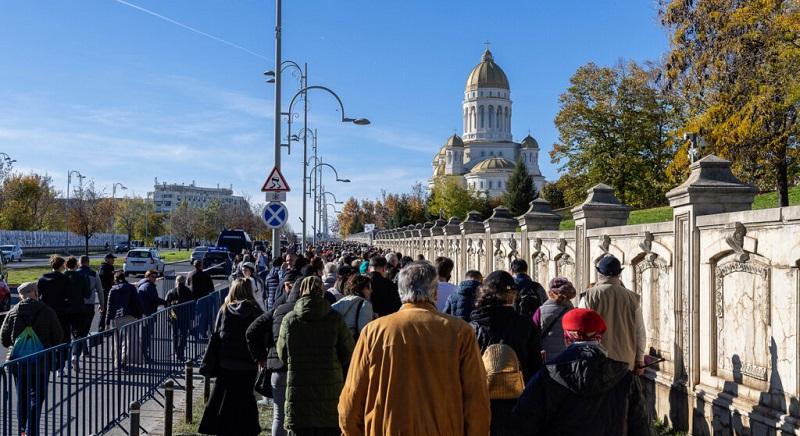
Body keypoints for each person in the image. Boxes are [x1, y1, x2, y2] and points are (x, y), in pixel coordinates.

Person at [339, 261, 490, 435]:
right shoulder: (460, 332)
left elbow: (351, 400)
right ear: (435, 293)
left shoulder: (374, 332)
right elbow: (476, 401)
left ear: (400, 292)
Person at [512, 308, 654, 436]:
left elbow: (523, 422)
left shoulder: (548, 375)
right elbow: (640, 426)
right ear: (599, 338)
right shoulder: (625, 377)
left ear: (567, 338)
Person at [276, 276, 353, 436]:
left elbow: (282, 353)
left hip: (299, 389)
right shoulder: (335, 318)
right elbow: (347, 351)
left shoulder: (290, 320)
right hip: (329, 387)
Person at [470, 271, 542, 435]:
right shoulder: (525, 324)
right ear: (512, 295)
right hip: (518, 399)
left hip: (482, 400)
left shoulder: (473, 327)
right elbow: (535, 365)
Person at [199, 279, 263, 436]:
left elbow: (216, 333)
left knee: (224, 400)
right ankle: (246, 429)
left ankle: (223, 428)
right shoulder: (256, 310)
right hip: (249, 363)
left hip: (226, 362)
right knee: (245, 399)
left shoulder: (225, 309)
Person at [0, 282, 63, 436]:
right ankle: (31, 430)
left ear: (21, 295)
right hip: (41, 361)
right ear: (35, 292)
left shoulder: (13, 312)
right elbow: (58, 335)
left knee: (22, 396)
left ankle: (22, 429)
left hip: (18, 362)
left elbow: (4, 338)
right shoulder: (47, 311)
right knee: (37, 397)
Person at [246, 270, 301, 436]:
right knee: (298, 415)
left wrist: (260, 357)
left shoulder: (278, 309)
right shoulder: (310, 311)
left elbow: (252, 330)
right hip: (299, 369)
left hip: (277, 367)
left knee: (279, 414)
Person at [578, 255, 646, 372]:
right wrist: (640, 359)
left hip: (596, 360)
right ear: (618, 274)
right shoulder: (632, 298)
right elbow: (640, 331)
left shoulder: (589, 296)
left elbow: (579, 329)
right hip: (625, 361)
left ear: (600, 273)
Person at [532, 277, 576, 362]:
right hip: (567, 357)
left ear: (551, 293)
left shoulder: (540, 311)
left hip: (546, 358)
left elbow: (533, 334)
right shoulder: (572, 311)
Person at [105, 272, 142, 369]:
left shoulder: (112, 290)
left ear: (115, 279)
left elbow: (109, 307)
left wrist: (107, 321)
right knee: (129, 340)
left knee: (117, 340)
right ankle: (124, 360)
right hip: (130, 316)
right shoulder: (131, 288)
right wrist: (139, 316)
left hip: (117, 317)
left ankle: (117, 361)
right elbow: (137, 303)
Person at [76, 255, 105, 359]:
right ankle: (79, 352)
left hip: (77, 305)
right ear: (88, 262)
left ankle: (83, 350)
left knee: (79, 329)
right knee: (85, 329)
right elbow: (100, 290)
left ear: (79, 262)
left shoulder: (75, 274)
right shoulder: (94, 274)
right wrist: (102, 304)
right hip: (89, 304)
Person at [64, 256, 90, 372]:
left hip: (64, 309)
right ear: (76, 265)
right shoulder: (81, 276)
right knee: (78, 335)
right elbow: (87, 294)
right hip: (79, 309)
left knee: (65, 335)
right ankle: (75, 356)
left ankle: (64, 361)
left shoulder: (63, 276)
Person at [331, 275, 374, 339]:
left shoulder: (343, 300)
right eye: (369, 287)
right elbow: (364, 331)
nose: (371, 290)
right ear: (362, 289)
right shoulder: (365, 304)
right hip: (353, 344)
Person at [165, 274, 193, 362]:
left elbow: (167, 304)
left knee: (175, 334)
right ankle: (180, 352)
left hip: (174, 315)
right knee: (184, 334)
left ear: (176, 282)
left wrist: (171, 316)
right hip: (185, 315)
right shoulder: (188, 291)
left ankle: (177, 351)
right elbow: (192, 303)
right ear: (184, 282)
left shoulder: (171, 291)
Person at [188, 260, 214, 339]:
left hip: (193, 298)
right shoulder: (205, 275)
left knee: (193, 316)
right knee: (204, 316)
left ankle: (192, 330)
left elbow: (188, 284)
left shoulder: (190, 274)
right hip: (203, 298)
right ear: (201, 266)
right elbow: (211, 288)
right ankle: (202, 332)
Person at [98, 253, 116, 331]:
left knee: (109, 311)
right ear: (107, 259)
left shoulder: (109, 267)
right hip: (105, 291)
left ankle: (106, 327)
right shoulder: (104, 267)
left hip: (108, 290)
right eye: (112, 259)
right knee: (104, 311)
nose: (113, 260)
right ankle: (101, 328)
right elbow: (102, 278)